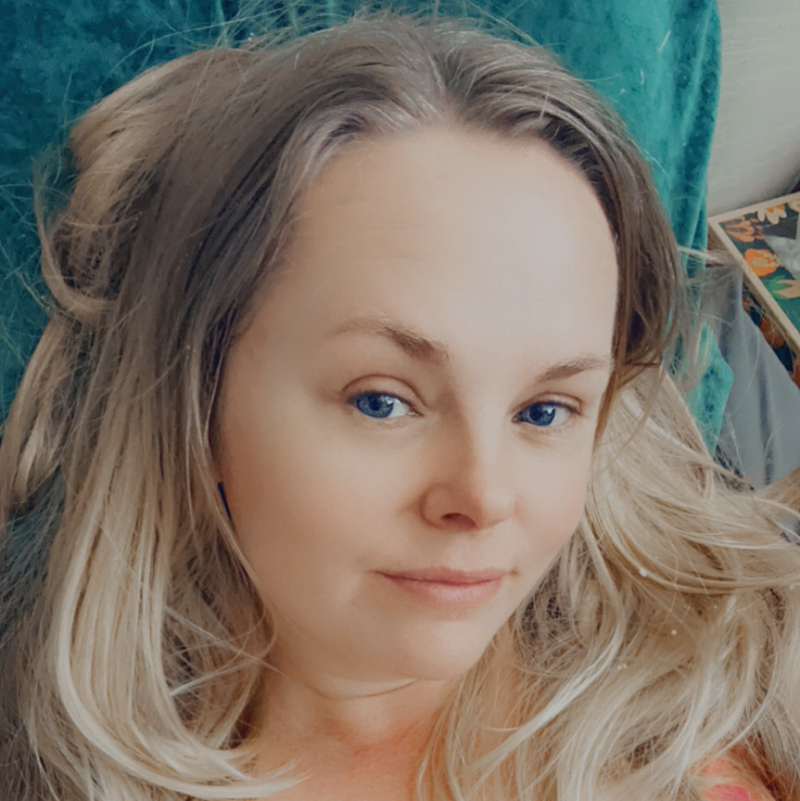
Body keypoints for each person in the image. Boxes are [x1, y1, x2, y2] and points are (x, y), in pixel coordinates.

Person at [1, 11, 799, 801]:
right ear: (200, 398)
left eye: (545, 411)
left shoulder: (736, 689)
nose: (482, 496)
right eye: (383, 402)